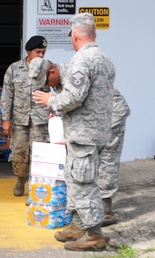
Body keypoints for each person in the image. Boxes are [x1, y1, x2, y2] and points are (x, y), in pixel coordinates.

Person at [32, 13, 115, 251]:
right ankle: (78, 226)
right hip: (95, 132)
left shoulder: (82, 60)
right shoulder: (105, 59)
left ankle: (94, 235)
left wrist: (51, 100)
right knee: (77, 177)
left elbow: (74, 97)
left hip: (84, 133)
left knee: (82, 182)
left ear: (75, 35)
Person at [47, 63, 130, 226]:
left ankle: (106, 210)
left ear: (52, 71)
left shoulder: (74, 73)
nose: (46, 87)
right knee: (84, 162)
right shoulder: (59, 81)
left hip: (111, 115)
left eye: (45, 82)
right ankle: (83, 212)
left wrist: (54, 103)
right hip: (94, 117)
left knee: (106, 160)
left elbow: (74, 101)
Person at [0, 35, 51, 197]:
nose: (41, 56)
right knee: (19, 152)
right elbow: (7, 95)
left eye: (43, 52)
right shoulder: (14, 69)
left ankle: (34, 188)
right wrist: (6, 119)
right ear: (29, 51)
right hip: (19, 119)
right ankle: (21, 179)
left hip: (40, 119)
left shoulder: (47, 68)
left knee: (39, 154)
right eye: (38, 52)